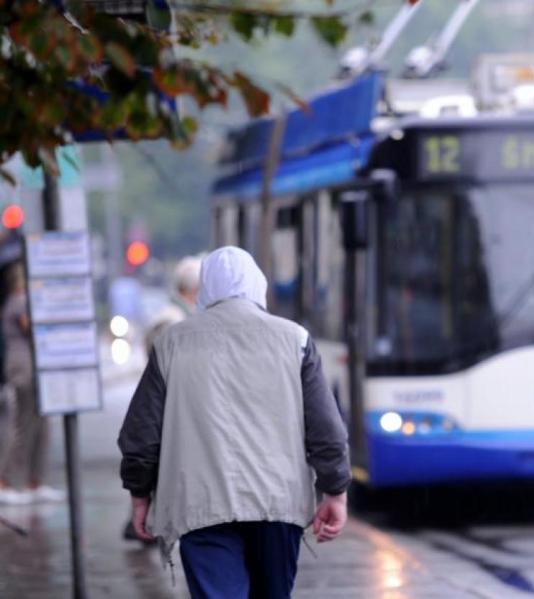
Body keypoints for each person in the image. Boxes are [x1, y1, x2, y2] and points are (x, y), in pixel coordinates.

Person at [118, 246, 350, 598]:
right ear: (258, 285)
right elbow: (325, 429)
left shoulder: (171, 344)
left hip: (201, 505)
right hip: (278, 504)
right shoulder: (295, 340)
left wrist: (140, 496)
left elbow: (141, 436)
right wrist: (335, 491)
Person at [122, 255, 201, 543]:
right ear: (193, 289)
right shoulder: (175, 321)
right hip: (169, 405)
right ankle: (145, 522)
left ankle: (143, 520)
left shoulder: (170, 315)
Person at [0, 264, 64, 505]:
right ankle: (7, 480)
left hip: (34, 368)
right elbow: (33, 329)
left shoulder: (17, 302)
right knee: (24, 424)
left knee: (40, 424)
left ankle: (33, 480)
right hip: (24, 368)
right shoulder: (19, 302)